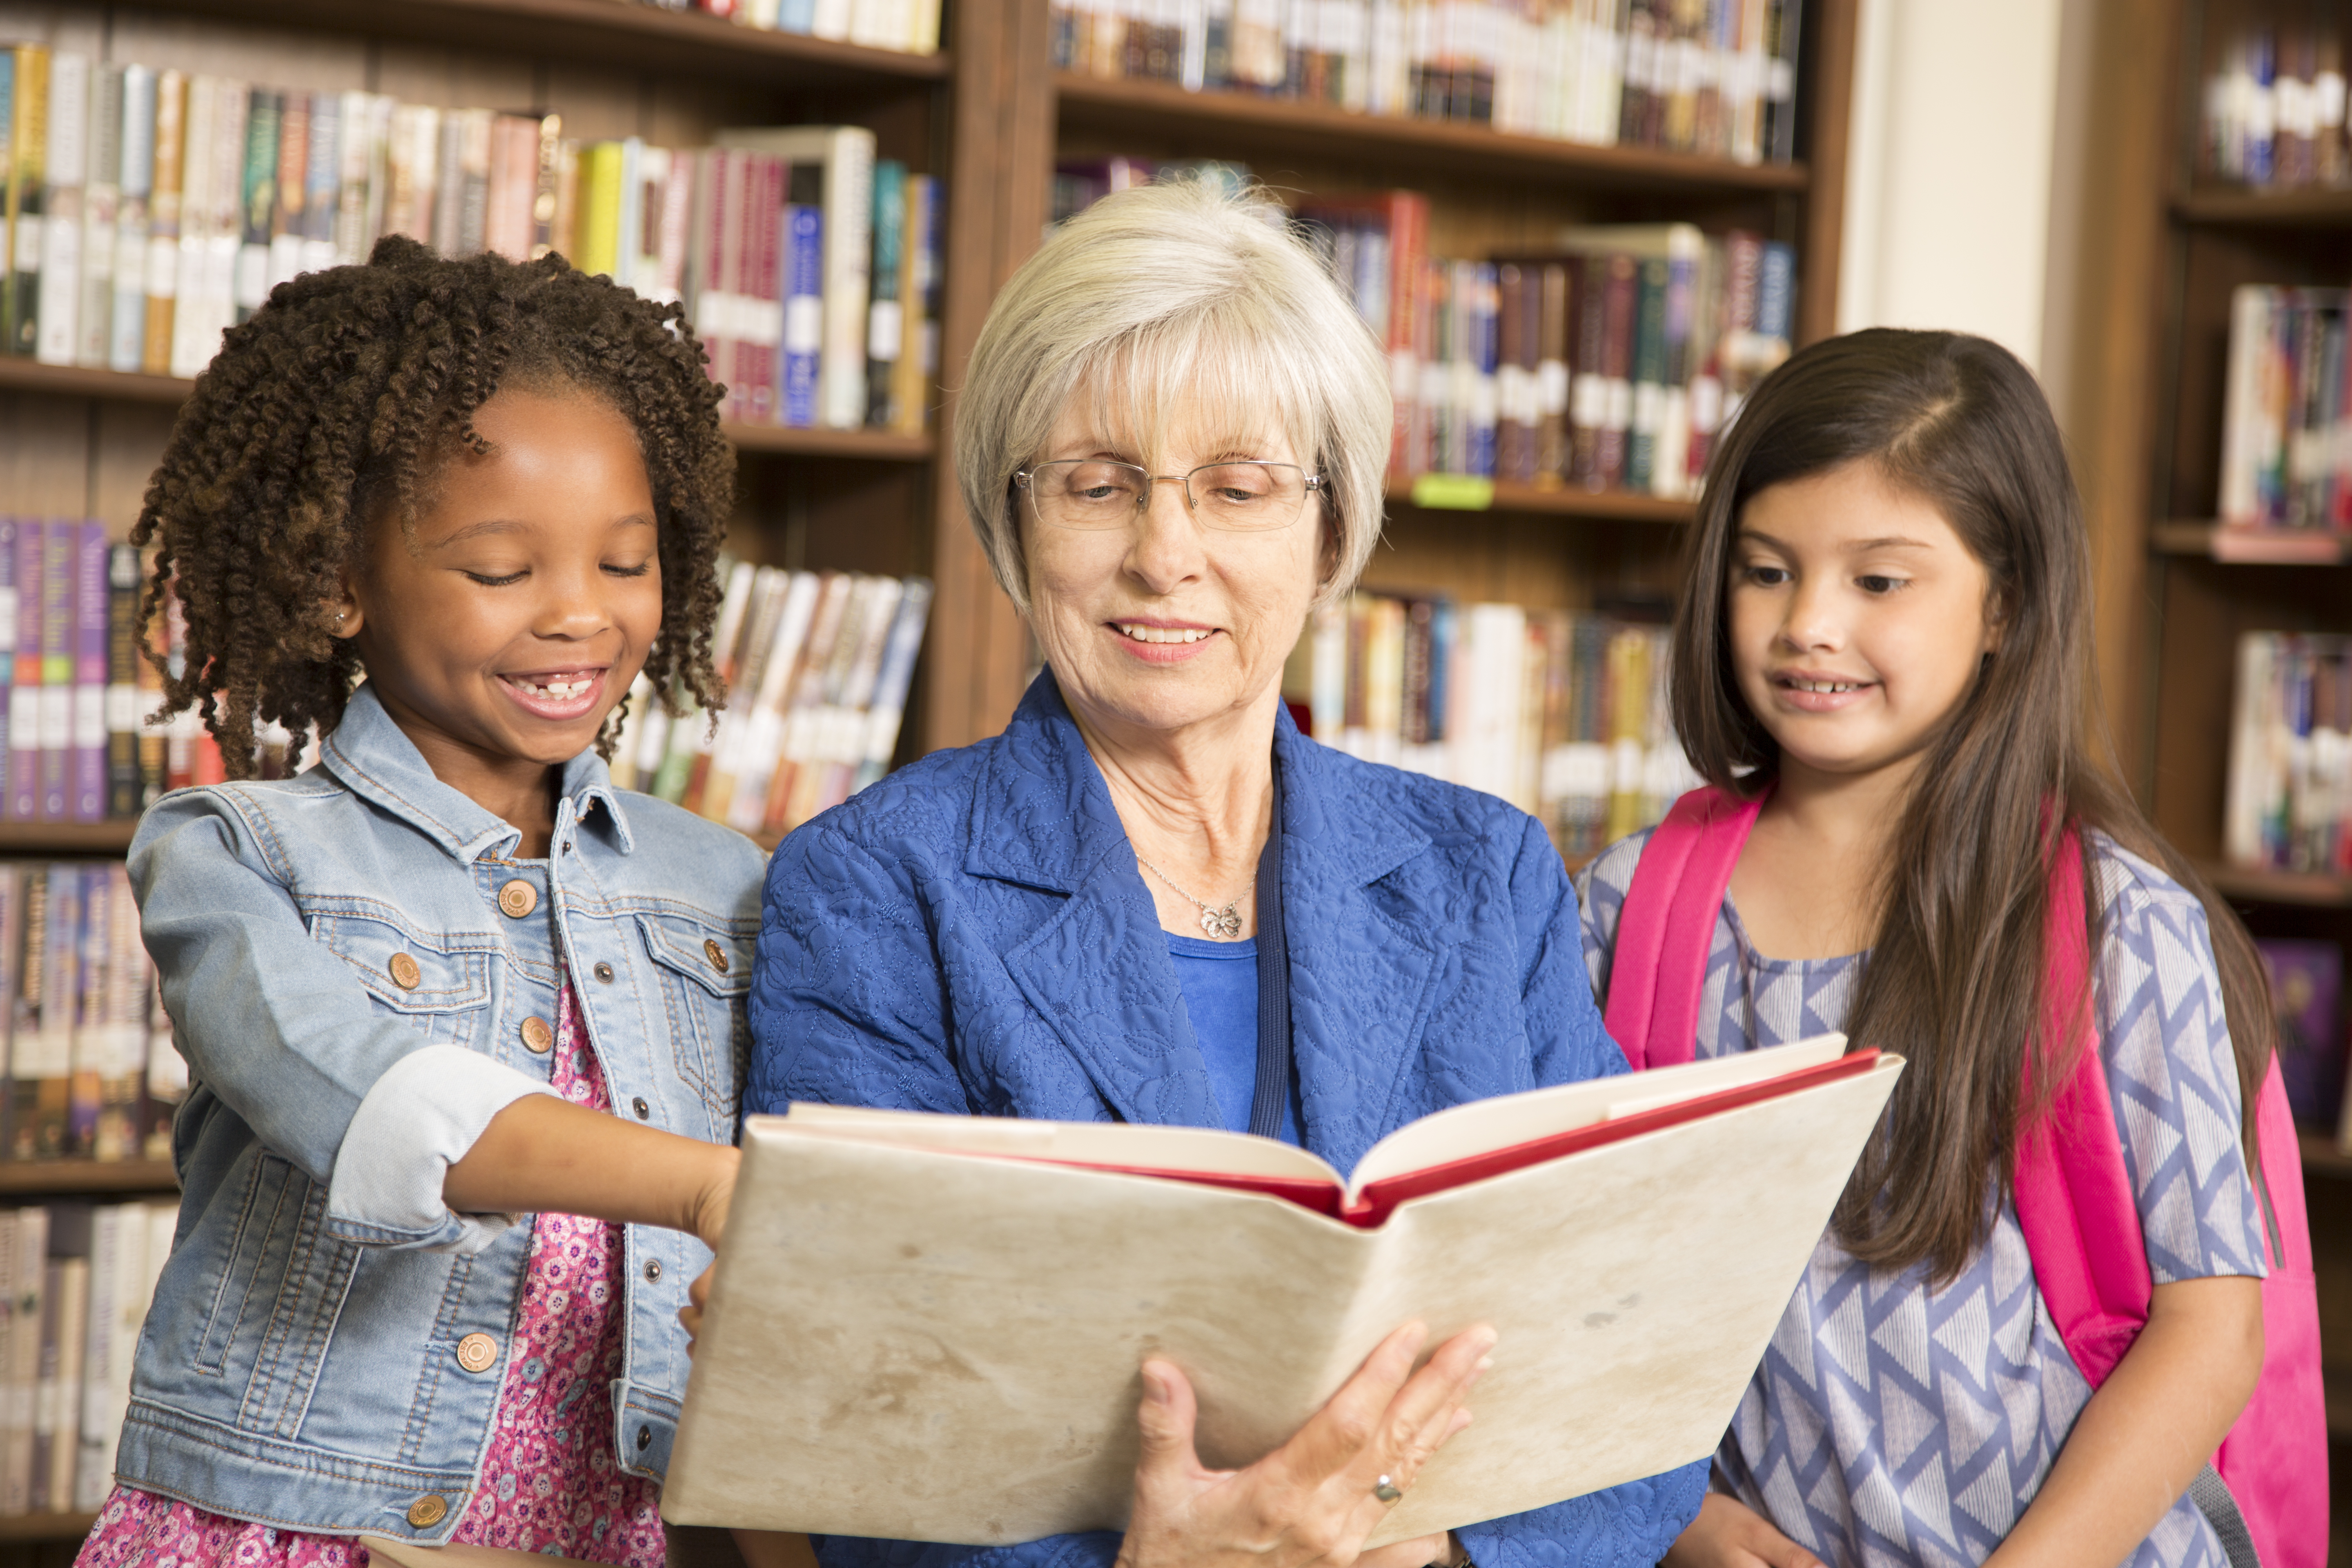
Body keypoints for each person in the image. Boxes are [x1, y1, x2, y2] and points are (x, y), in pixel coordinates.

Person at [737, 174, 1707, 1568]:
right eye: (1099, 485)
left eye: (1237, 489)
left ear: (1327, 535)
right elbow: (866, 1419)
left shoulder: (1484, 872)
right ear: (1016, 522)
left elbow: (1636, 1347)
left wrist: (1423, 1559)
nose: (1163, 554)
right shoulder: (877, 888)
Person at [75, 237, 764, 1567]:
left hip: (607, 1534)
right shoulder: (235, 855)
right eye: (504, 572)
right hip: (297, 1526)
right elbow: (376, 1102)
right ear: (339, 583)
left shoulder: (726, 884)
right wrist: (713, 1192)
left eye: (626, 564)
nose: (579, 616)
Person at [1576, 330, 2279, 1568]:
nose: (1810, 627)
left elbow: (2211, 1333)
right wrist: (1673, 1515)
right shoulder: (1624, 911)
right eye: (1766, 571)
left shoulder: (2117, 925)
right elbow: (1572, 1282)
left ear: (2004, 604)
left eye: (1880, 582)